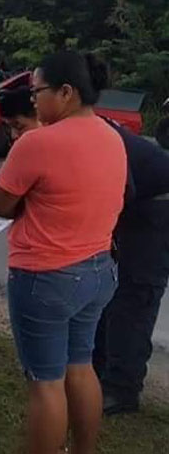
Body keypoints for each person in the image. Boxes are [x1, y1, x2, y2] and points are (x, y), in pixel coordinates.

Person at [0, 52, 125, 454]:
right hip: (98, 270)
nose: (33, 100)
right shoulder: (111, 136)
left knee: (46, 383)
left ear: (66, 93)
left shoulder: (38, 142)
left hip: (47, 277)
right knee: (80, 368)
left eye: (37, 92)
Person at [93, 126, 169, 415]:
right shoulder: (71, 128)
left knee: (135, 295)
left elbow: (122, 190)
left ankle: (121, 389)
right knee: (108, 288)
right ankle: (97, 368)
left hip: (157, 205)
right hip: (137, 204)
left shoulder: (94, 135)